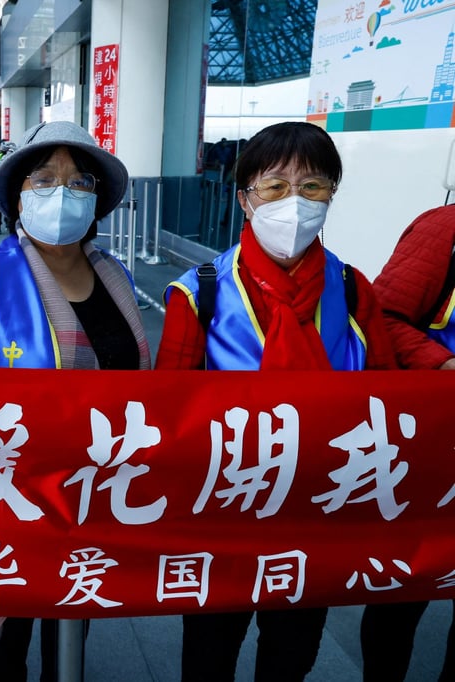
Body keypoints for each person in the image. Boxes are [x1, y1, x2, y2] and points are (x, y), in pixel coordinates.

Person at [157, 121, 396, 681]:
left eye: (314, 186)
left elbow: (390, 394)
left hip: (318, 515)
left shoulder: (355, 288)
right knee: (209, 655)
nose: (296, 200)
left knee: (292, 656)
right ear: (245, 199)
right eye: (276, 186)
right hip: (224, 515)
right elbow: (169, 407)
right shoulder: (203, 292)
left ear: (331, 196)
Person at [0, 120, 151, 681]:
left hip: (99, 494)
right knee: (14, 630)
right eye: (45, 179)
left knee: (76, 615)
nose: (64, 192)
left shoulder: (114, 275)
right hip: (19, 500)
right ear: (17, 196)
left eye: (80, 182)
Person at [361, 203, 455, 681]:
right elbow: (385, 317)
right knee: (405, 586)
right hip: (436, 448)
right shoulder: (445, 229)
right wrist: (443, 365)